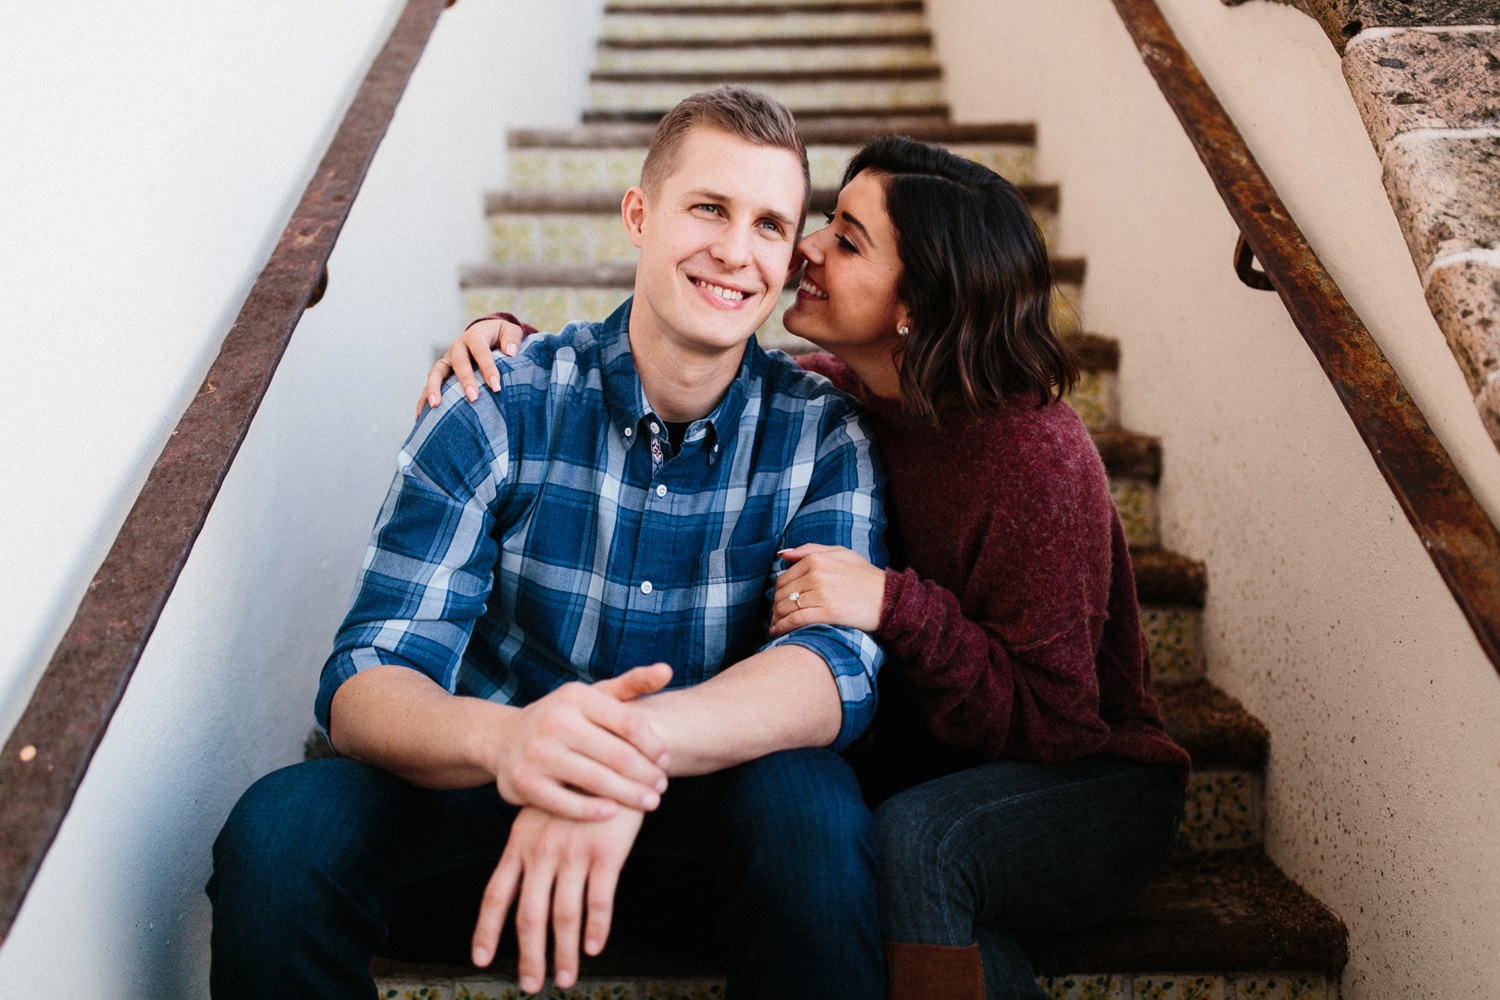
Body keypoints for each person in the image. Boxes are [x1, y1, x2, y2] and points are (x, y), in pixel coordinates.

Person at [436, 135, 1191, 1000]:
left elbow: (1056, 723)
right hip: (934, 759)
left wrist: (896, 606)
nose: (805, 249)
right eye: (829, 221)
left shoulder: (1033, 456)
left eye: (849, 239)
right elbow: (678, 356)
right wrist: (512, 347)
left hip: (1086, 788)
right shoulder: (842, 391)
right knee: (821, 819)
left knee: (918, 844)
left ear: (919, 301)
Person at [207, 86, 889, 1000]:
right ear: (638, 217)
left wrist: (619, 751)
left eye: (770, 224)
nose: (736, 250)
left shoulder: (822, 434)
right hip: (495, 813)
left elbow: (832, 669)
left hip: (710, 830)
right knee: (278, 836)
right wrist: (516, 742)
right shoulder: (497, 401)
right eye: (708, 208)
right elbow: (368, 678)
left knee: (814, 811)